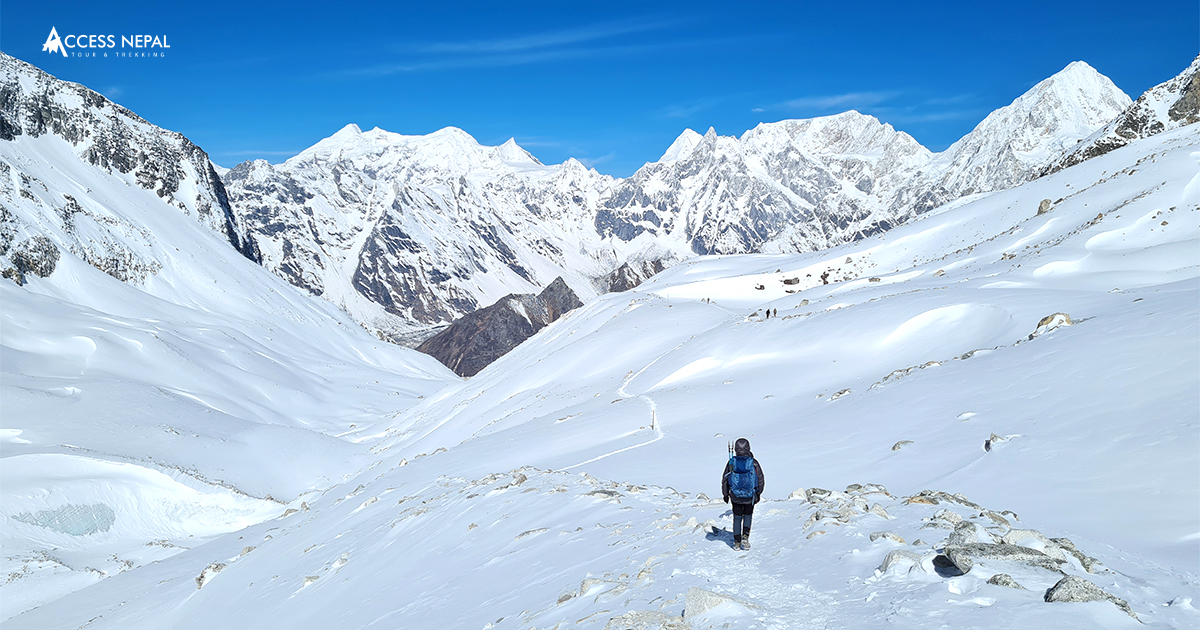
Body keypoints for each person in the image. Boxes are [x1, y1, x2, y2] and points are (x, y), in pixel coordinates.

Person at [722, 438, 765, 550]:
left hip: (735, 496)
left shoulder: (732, 462)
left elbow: (725, 478)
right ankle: (745, 537)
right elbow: (760, 479)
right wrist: (758, 493)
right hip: (750, 495)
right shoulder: (753, 462)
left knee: (737, 518)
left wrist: (725, 494)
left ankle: (737, 542)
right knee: (748, 516)